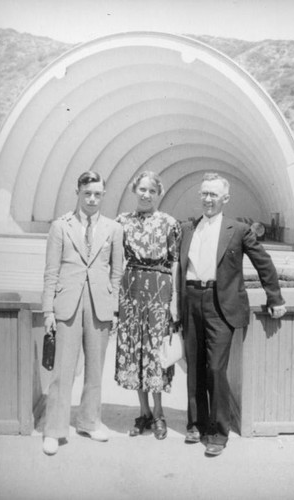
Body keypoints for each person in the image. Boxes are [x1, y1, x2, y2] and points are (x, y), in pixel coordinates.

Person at [179, 172, 286, 457]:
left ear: (225, 198)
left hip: (220, 305)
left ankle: (218, 431)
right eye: (204, 193)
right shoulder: (189, 228)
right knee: (195, 366)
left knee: (215, 368)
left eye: (213, 194)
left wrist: (274, 297)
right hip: (190, 300)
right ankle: (196, 423)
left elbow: (263, 262)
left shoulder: (238, 230)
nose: (208, 199)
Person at [41, 171, 123, 455]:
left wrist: (113, 308)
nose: (92, 199)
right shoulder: (60, 226)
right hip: (68, 305)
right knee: (62, 371)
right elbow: (51, 272)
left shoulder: (113, 229)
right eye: (87, 193)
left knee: (95, 370)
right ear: (78, 192)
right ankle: (54, 429)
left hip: (99, 306)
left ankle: (89, 421)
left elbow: (117, 272)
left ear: (103, 195)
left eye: (98, 194)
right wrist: (48, 310)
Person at [114, 171, 181, 440]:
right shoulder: (121, 223)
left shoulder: (169, 223)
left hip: (159, 289)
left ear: (158, 194)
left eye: (151, 191)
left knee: (156, 351)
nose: (146, 194)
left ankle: (159, 413)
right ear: (134, 190)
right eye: (141, 189)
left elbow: (175, 260)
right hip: (131, 291)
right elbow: (114, 259)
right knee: (135, 350)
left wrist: (174, 297)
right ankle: (143, 412)